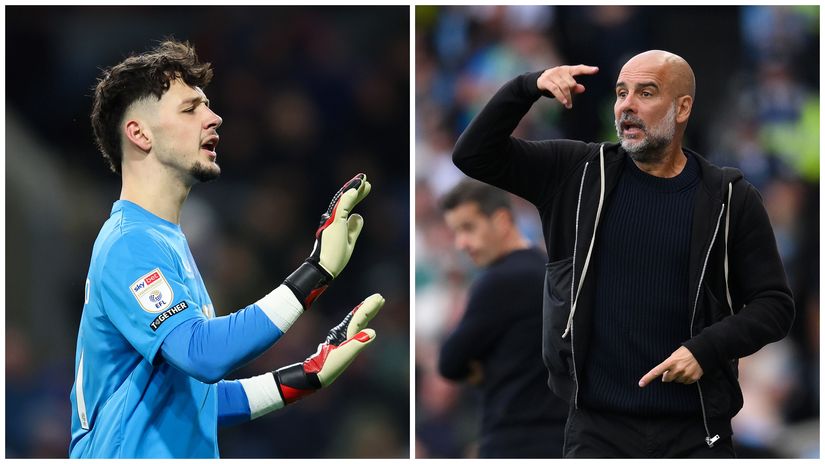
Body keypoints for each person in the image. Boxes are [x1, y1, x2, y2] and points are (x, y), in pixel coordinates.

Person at [452, 50, 794, 458]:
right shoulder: (575, 173)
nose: (627, 105)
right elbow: (472, 155)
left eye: (645, 93)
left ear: (682, 107)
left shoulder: (730, 198)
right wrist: (527, 87)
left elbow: (774, 305)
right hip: (597, 429)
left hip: (695, 427)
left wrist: (706, 349)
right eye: (621, 93)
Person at [69, 40, 385, 458]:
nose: (214, 118)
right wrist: (315, 271)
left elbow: (197, 402)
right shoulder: (130, 243)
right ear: (139, 133)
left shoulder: (166, 241)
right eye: (190, 108)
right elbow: (203, 354)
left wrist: (308, 374)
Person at [437, 179, 568, 457]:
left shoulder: (499, 282)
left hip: (513, 440)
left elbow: (449, 362)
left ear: (502, 220)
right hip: (563, 440)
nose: (461, 244)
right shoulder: (551, 273)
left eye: (468, 228)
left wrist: (481, 366)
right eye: (455, 232)